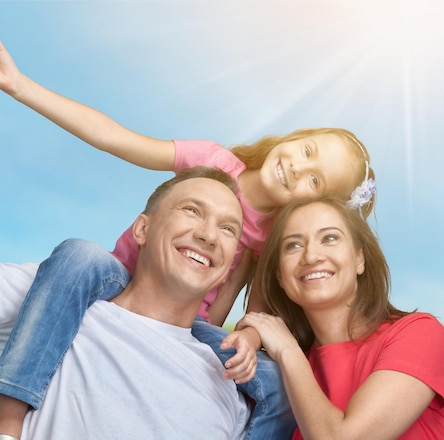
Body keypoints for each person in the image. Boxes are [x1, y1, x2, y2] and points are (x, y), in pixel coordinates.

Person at [0, 41, 376, 438]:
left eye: (314, 180)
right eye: (307, 151)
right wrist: (21, 85)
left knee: (274, 381)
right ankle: (8, 417)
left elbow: (251, 311)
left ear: (312, 202)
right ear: (297, 137)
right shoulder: (212, 162)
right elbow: (114, 136)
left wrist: (239, 339)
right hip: (123, 281)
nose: (298, 168)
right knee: (80, 255)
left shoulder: (272, 237)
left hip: (187, 322)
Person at [1, 166, 254, 439]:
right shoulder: (54, 293)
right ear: (142, 229)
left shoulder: (230, 390)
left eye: (228, 229)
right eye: (192, 210)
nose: (209, 236)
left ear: (227, 268)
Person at [238, 196, 444, 439]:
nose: (311, 256)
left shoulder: (420, 335)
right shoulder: (287, 373)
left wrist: (288, 350)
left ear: (359, 259)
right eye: (293, 245)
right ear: (279, 275)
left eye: (329, 238)